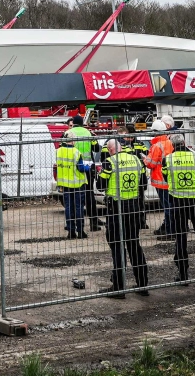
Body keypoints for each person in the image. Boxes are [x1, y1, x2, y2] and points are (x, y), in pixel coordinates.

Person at [162, 130, 195, 283]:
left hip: (178, 202)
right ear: (185, 144)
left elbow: (166, 178)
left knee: (180, 237)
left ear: (172, 145)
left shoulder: (168, 159)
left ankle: (183, 274)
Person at [97, 138, 149, 295]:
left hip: (116, 208)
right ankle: (143, 285)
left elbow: (100, 186)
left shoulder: (110, 162)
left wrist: (98, 176)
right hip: (133, 207)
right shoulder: (135, 159)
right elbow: (144, 184)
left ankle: (119, 287)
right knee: (134, 245)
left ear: (111, 149)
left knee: (117, 247)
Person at [65, 111, 102, 231]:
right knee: (89, 195)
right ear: (82, 123)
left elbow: (62, 147)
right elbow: (96, 148)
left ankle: (72, 223)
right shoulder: (88, 132)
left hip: (72, 168)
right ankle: (93, 223)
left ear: (73, 123)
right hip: (87, 168)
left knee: (72, 196)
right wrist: (93, 138)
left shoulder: (68, 133)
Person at [53, 133, 92, 238]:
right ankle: (80, 231)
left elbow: (58, 165)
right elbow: (80, 168)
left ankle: (71, 232)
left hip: (65, 184)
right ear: (74, 141)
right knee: (79, 207)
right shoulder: (76, 152)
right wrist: (88, 167)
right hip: (77, 184)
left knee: (68, 208)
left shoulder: (59, 151)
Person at [144, 118, 175, 236]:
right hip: (170, 179)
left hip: (160, 180)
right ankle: (170, 227)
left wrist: (145, 159)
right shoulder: (170, 143)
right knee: (171, 206)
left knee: (167, 207)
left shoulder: (156, 146)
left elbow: (150, 163)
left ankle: (169, 230)